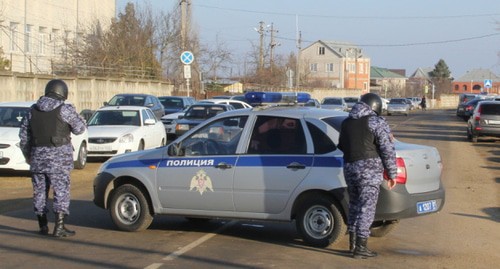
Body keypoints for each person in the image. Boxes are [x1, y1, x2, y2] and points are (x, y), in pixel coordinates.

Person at [19, 79, 87, 238]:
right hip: (59, 159)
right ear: (63, 92)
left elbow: (23, 137)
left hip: (37, 158)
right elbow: (80, 129)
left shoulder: (32, 110)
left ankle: (42, 225)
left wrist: (29, 156)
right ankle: (59, 227)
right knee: (61, 191)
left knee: (39, 192)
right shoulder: (65, 109)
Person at [337, 93, 397, 259]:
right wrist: (392, 173)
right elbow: (387, 150)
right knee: (367, 209)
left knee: (355, 206)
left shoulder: (346, 122)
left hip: (349, 169)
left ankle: (353, 244)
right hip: (369, 171)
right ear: (375, 106)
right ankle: (361, 248)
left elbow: (341, 145)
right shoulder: (375, 122)